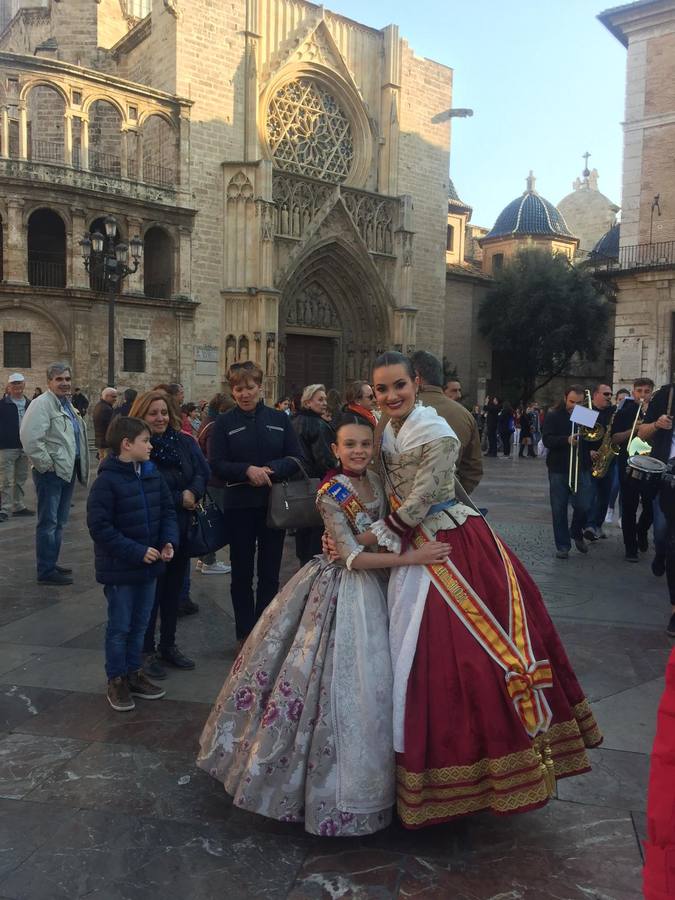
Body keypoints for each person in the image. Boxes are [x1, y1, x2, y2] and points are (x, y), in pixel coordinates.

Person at [354, 352, 601, 828]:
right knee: (409, 652)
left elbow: (422, 499)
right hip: (407, 546)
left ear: (416, 383)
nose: (390, 396)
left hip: (447, 542)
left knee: (455, 655)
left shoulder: (436, 431)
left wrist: (366, 537)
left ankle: (480, 772)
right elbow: (385, 489)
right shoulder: (386, 430)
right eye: (381, 390)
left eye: (398, 386)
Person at [197, 414, 449, 835]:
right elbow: (348, 557)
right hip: (348, 589)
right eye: (349, 445)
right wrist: (410, 559)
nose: (358, 452)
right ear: (335, 449)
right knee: (343, 684)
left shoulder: (381, 482)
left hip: (386, 585)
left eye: (365, 445)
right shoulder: (332, 492)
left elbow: (389, 526)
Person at [86, 417, 179, 711]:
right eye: (145, 441)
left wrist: (168, 541)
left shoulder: (152, 475)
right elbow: (100, 527)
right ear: (127, 444)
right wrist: (136, 551)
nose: (151, 446)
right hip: (122, 569)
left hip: (149, 567)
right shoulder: (107, 481)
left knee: (140, 624)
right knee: (120, 626)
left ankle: (133, 672)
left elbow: (167, 511)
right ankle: (116, 678)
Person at [209, 361, 302, 647]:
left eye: (250, 387)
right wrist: (246, 470)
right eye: (239, 388)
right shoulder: (224, 424)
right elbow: (217, 464)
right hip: (239, 506)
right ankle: (244, 633)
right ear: (232, 391)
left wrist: (270, 469)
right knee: (241, 571)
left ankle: (265, 630)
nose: (245, 393)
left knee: (270, 571)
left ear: (260, 387)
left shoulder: (279, 419)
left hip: (273, 505)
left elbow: (296, 458)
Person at [129, 389, 209, 676]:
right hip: (152, 529)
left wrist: (193, 491)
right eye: (153, 413)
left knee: (174, 590)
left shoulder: (183, 442)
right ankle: (146, 650)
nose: (160, 418)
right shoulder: (137, 447)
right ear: (141, 415)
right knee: (152, 592)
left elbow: (202, 471)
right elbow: (144, 486)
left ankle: (169, 645)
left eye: (164, 412)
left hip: (182, 527)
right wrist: (180, 497)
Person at [20, 363, 90, 585]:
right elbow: (30, 438)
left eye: (67, 379)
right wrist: (46, 465)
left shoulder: (67, 404)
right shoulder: (42, 404)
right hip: (51, 473)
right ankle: (46, 570)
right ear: (49, 381)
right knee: (48, 522)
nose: (65, 383)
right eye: (59, 379)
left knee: (59, 522)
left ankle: (51, 562)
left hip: (67, 470)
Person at [409, 351, 483, 493]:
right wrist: (455, 494)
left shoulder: (396, 411)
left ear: (416, 377)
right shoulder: (465, 415)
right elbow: (473, 468)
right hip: (447, 502)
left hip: (399, 506)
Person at [638, 383, 675, 635]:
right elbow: (641, 433)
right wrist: (656, 424)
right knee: (662, 534)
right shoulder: (667, 395)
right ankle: (659, 551)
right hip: (669, 478)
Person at [542, 386, 592, 559]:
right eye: (571, 402)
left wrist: (594, 448)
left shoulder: (585, 414)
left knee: (585, 504)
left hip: (582, 466)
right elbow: (547, 439)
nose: (574, 406)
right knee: (558, 508)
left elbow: (595, 437)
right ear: (565, 398)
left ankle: (576, 530)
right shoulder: (553, 415)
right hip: (559, 468)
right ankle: (563, 545)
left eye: (579, 403)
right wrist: (566, 440)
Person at [292, 384, 337, 565]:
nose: (325, 403)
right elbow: (324, 460)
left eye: (325, 399)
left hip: (298, 485)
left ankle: (303, 567)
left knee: (303, 531)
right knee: (316, 534)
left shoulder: (293, 421)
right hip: (317, 486)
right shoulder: (318, 425)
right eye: (320, 399)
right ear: (308, 402)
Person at [611, 377, 655, 562]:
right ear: (634, 392)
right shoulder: (624, 412)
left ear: (651, 392)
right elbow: (615, 438)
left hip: (652, 465)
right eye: (639, 391)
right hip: (628, 464)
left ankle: (642, 530)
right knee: (628, 506)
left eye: (646, 391)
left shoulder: (657, 412)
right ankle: (630, 548)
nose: (643, 395)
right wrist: (634, 430)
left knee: (651, 505)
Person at [195, 393, 234, 576]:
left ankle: (204, 559)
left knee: (209, 517)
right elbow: (213, 457)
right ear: (221, 410)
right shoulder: (214, 426)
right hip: (215, 481)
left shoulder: (207, 422)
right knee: (214, 521)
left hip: (210, 480)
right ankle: (209, 561)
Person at [583, 383, 614, 541]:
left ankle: (597, 525)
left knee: (605, 495)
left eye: (610, 394)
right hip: (589, 459)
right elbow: (577, 434)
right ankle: (589, 525)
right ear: (595, 394)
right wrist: (588, 450)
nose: (609, 397)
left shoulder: (612, 412)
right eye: (606, 394)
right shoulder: (586, 410)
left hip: (608, 458)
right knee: (591, 494)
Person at [0, 373, 33, 519]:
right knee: (6, 480)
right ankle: (5, 509)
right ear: (9, 387)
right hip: (7, 446)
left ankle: (18, 505)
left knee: (21, 478)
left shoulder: (30, 404)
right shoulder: (2, 405)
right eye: (14, 385)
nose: (17, 388)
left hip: (24, 446)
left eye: (20, 385)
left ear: (24, 385)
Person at [92, 387, 118, 461]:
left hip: (102, 441)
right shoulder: (105, 408)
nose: (115, 399)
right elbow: (111, 426)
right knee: (105, 462)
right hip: (105, 442)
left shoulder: (100, 405)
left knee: (103, 460)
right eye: (113, 396)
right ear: (106, 396)